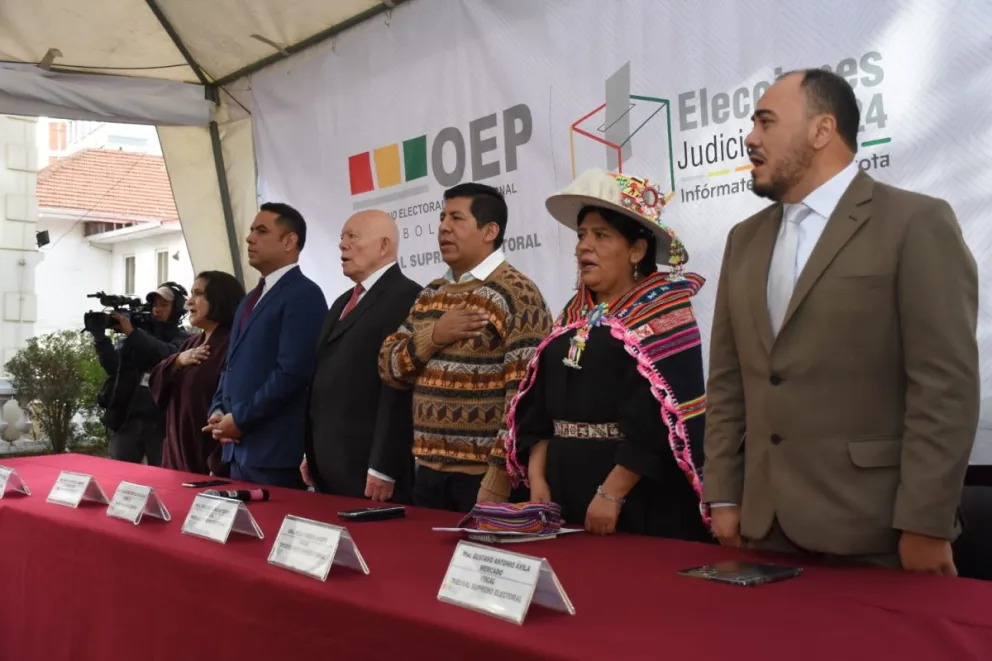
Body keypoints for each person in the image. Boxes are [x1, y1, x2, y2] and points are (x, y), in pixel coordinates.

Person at [703, 68, 980, 573]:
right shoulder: (743, 240)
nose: (750, 138)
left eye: (766, 122)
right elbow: (727, 384)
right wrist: (723, 495)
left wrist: (925, 523)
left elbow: (945, 388)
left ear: (821, 130)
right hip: (762, 531)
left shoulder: (914, 223)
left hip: (877, 530)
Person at [503, 170, 712, 540]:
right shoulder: (571, 316)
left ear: (636, 250)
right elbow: (539, 411)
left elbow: (662, 421)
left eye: (601, 236)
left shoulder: (664, 313)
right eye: (582, 235)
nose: (584, 246)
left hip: (633, 501)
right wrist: (537, 480)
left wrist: (611, 492)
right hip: (558, 497)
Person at [378, 183, 553, 513]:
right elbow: (389, 369)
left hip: (482, 480)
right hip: (426, 474)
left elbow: (525, 396)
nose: (444, 227)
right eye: (442, 217)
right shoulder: (431, 293)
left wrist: (499, 475)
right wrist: (434, 335)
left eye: (457, 218)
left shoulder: (518, 293)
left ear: (490, 231)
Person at [204, 202, 327, 488]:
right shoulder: (249, 300)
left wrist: (241, 420)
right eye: (251, 231)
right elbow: (229, 366)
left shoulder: (304, 295)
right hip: (237, 451)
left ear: (289, 241)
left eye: (261, 231)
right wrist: (219, 411)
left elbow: (292, 373)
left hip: (274, 454)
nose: (250, 238)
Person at [302, 210, 421, 502]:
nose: (342, 245)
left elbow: (398, 388)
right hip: (329, 462)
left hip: (368, 468)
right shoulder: (343, 301)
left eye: (352, 237)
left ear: (383, 246)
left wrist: (384, 466)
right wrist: (311, 452)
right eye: (341, 237)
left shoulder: (407, 297)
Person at [149, 271, 245, 476]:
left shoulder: (233, 344)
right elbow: (158, 386)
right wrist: (176, 361)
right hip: (177, 456)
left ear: (219, 299)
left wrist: (217, 461)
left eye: (198, 294)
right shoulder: (191, 343)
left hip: (209, 461)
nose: (189, 302)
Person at [87, 282, 189, 466]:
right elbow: (114, 368)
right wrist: (100, 339)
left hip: (161, 424)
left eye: (164, 305)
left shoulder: (184, 339)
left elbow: (166, 355)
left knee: (162, 478)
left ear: (178, 309)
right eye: (155, 305)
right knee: (120, 475)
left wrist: (133, 333)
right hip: (128, 419)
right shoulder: (137, 336)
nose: (157, 309)